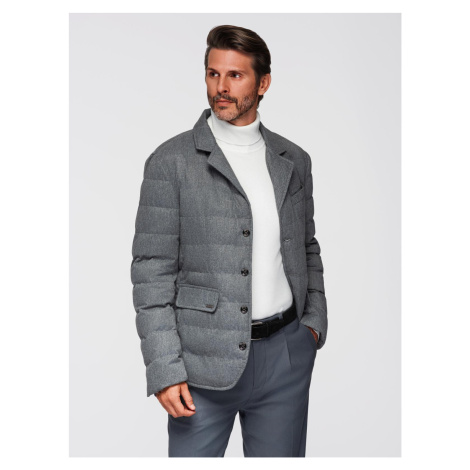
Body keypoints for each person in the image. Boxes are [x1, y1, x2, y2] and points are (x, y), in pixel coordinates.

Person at [130, 24, 328, 457]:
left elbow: (306, 247)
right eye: (213, 74)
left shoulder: (294, 160)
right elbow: (151, 272)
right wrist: (164, 369)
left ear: (263, 83)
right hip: (200, 365)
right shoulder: (170, 162)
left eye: (235, 75)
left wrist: (311, 326)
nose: (221, 87)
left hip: (285, 358)